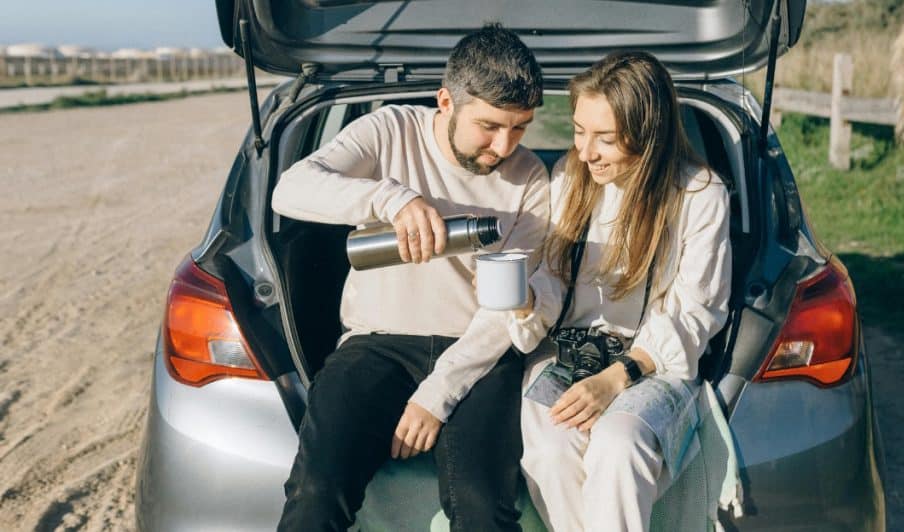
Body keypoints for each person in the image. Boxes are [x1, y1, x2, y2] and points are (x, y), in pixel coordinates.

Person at [271, 24, 550, 531]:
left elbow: (505, 310)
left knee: (482, 503)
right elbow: (290, 190)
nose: (504, 146)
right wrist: (390, 198)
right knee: (317, 490)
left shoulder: (530, 177)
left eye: (520, 128)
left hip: (479, 354)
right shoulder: (390, 131)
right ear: (446, 101)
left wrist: (435, 396)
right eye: (489, 126)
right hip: (375, 344)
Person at [508, 51, 732, 531]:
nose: (585, 152)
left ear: (647, 136)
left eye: (605, 139)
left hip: (655, 361)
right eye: (578, 130)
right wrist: (526, 301)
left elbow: (696, 313)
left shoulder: (700, 195)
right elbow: (554, 280)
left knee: (619, 443)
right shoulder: (571, 178)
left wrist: (617, 377)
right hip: (569, 352)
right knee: (549, 447)